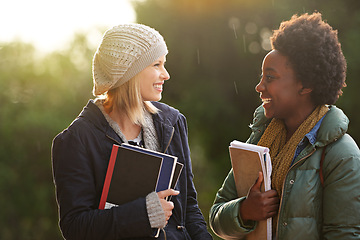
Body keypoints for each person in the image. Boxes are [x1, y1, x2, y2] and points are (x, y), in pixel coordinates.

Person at [52, 23, 213, 240]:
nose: (165, 75)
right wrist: (144, 213)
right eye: (156, 64)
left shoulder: (173, 122)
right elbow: (76, 228)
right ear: (130, 72)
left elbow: (189, 208)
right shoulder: (76, 140)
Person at [209, 12, 360, 239]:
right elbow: (216, 217)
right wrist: (244, 211)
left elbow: (344, 234)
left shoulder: (341, 154)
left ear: (306, 84)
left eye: (270, 78)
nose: (259, 87)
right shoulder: (259, 139)